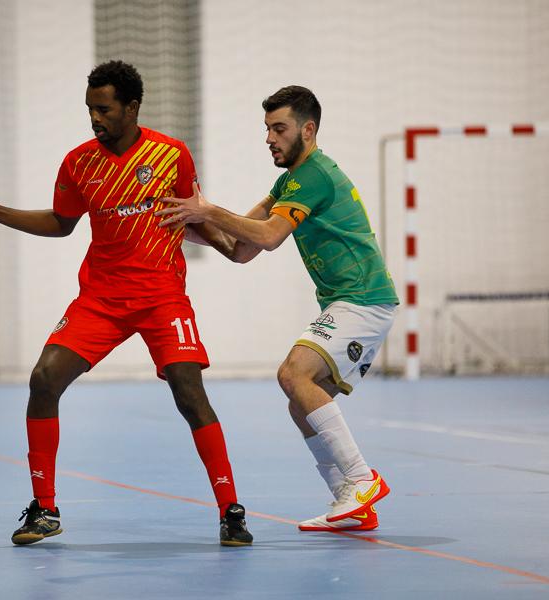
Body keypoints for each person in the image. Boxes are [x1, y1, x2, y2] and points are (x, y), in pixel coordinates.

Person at [0, 60, 253, 546]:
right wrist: (0, 214)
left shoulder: (172, 155)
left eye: (103, 109)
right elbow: (61, 222)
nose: (95, 119)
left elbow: (189, 214)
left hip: (163, 296)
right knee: (43, 380)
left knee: (189, 392)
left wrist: (230, 245)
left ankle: (231, 510)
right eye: (89, 110)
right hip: (101, 298)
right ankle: (44, 509)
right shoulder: (79, 162)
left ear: (132, 107)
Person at [156, 85, 399, 532]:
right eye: (267, 128)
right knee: (300, 402)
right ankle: (349, 502)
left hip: (364, 299)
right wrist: (187, 224)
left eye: (280, 128)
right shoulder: (288, 182)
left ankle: (362, 479)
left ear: (308, 130)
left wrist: (206, 208)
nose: (270, 137)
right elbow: (241, 249)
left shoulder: (315, 176)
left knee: (293, 374)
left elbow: (267, 236)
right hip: (349, 302)